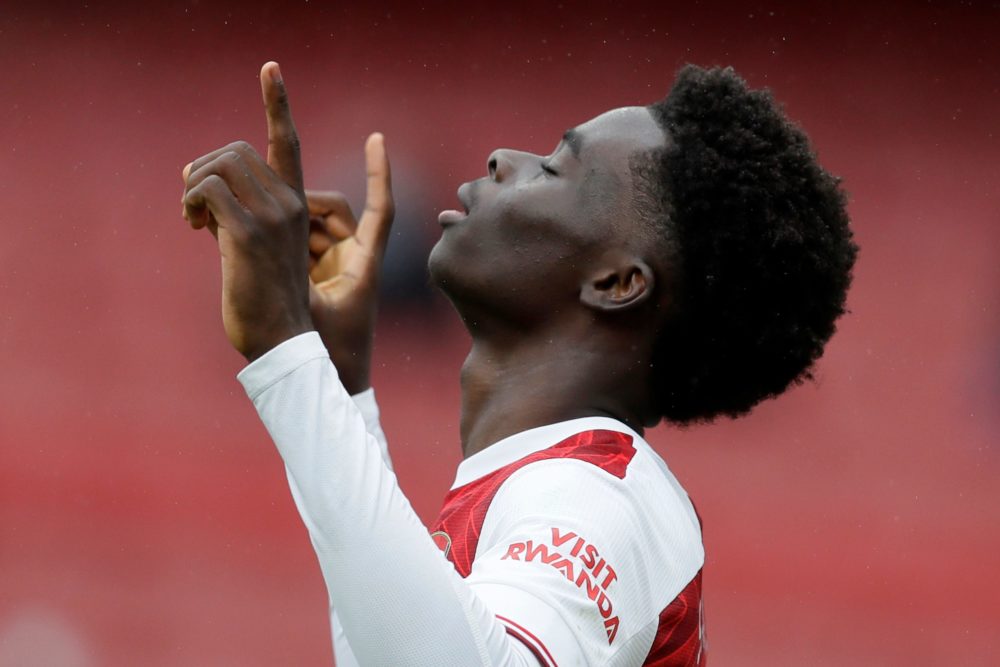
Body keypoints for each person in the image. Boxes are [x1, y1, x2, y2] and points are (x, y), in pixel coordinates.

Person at [181, 61, 856, 666]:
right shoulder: (572, 482)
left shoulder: (601, 497)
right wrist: (340, 380)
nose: (505, 158)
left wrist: (287, 354)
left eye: (557, 168)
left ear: (617, 283)